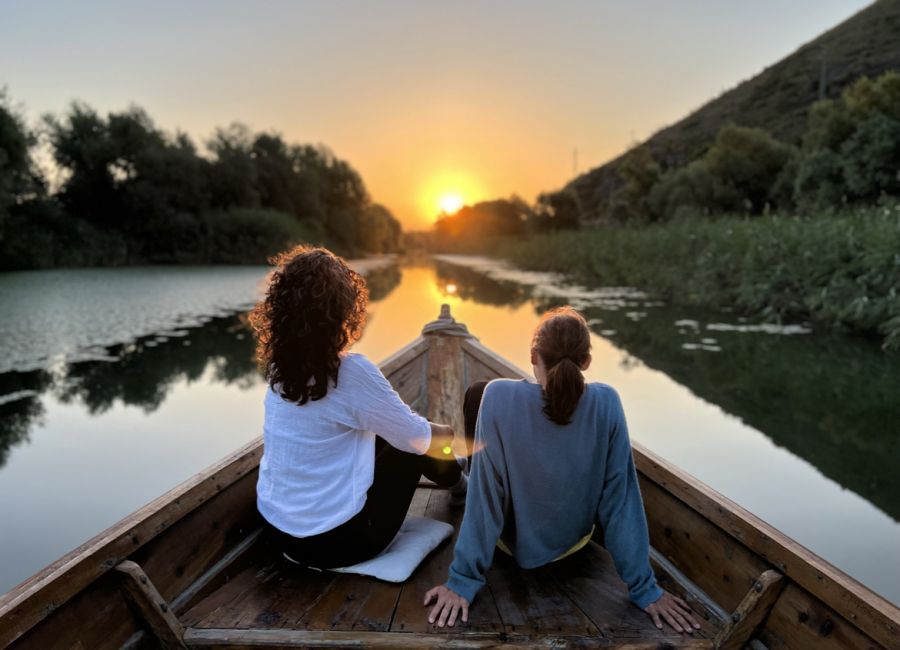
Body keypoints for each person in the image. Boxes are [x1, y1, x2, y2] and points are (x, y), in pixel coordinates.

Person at [424, 307, 701, 634]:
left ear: (533, 356)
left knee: (477, 396)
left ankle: (460, 485)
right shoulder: (607, 402)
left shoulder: (497, 396)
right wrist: (644, 587)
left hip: (508, 548)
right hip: (573, 546)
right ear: (586, 362)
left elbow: (486, 497)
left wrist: (463, 580)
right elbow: (620, 501)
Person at [250, 245, 467, 570]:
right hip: (341, 543)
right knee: (416, 441)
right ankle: (462, 487)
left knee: (386, 432)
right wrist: (443, 433)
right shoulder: (351, 371)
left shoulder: (278, 371)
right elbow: (417, 440)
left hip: (279, 534)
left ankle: (456, 475)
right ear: (341, 310)